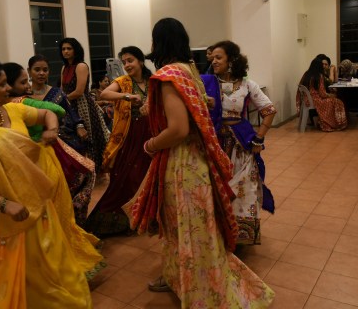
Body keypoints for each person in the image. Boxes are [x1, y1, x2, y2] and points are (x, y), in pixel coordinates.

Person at [123, 19, 274, 308]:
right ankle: (178, 275)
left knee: (183, 226)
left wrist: (150, 145)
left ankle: (200, 286)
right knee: (195, 227)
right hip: (199, 159)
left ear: (158, 42)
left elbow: (178, 129)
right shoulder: (188, 70)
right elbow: (202, 107)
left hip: (181, 163)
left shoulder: (168, 76)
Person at [0, 59, 93, 308]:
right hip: (0, 218)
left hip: (37, 211)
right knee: (1, 288)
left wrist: (52, 130)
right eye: (2, 84)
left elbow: (48, 113)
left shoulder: (12, 110)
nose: (9, 88)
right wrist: (3, 203)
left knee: (51, 277)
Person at [200, 41, 276, 245]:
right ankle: (217, 234)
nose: (213, 61)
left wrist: (259, 137)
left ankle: (240, 235)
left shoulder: (247, 85)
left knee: (243, 189)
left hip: (240, 145)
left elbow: (269, 110)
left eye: (219, 57)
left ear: (231, 60)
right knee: (215, 188)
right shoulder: (206, 83)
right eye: (212, 58)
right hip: (214, 144)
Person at [3, 60, 95, 227]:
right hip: (44, 148)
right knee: (66, 183)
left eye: (45, 69)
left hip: (51, 142)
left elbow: (69, 112)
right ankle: (67, 224)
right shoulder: (23, 101)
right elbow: (58, 111)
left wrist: (78, 125)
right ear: (30, 71)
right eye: (37, 70)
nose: (41, 73)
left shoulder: (55, 92)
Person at [85, 46, 152, 236]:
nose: (127, 65)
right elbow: (105, 94)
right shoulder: (123, 82)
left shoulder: (152, 80)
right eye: (124, 62)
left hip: (152, 133)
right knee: (127, 176)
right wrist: (127, 96)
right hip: (131, 134)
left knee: (148, 175)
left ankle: (145, 217)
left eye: (130, 60)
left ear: (140, 61)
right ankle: (123, 220)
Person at [60, 37, 109, 173]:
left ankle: (96, 169)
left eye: (69, 48)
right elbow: (62, 89)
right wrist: (62, 100)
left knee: (90, 136)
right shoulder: (64, 67)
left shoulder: (81, 66)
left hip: (82, 105)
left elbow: (79, 91)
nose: (66, 51)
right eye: (63, 49)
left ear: (75, 50)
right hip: (68, 104)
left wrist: (62, 100)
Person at [298, 58, 347, 131]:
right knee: (338, 102)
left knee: (334, 100)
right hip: (316, 100)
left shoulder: (306, 74)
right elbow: (322, 94)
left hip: (306, 99)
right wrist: (331, 95)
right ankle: (335, 124)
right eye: (322, 65)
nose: (323, 66)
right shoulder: (319, 76)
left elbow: (300, 85)